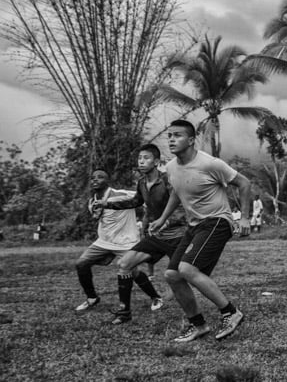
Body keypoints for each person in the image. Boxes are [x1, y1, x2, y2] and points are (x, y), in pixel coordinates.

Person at [150, 120, 252, 343]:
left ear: (191, 139)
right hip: (194, 225)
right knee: (172, 275)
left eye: (177, 135)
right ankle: (198, 325)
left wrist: (244, 217)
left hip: (217, 221)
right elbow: (177, 192)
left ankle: (231, 312)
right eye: (169, 136)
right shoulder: (171, 168)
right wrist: (162, 219)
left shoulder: (210, 164)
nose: (171, 140)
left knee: (187, 268)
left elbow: (244, 183)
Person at [94, 144, 188, 324]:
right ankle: (124, 312)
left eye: (146, 158)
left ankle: (198, 315)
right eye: (139, 158)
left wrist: (166, 221)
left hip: (178, 236)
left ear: (157, 162)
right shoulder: (142, 183)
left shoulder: (169, 180)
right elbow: (135, 201)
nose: (141, 161)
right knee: (124, 264)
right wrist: (107, 204)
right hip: (156, 237)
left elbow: (183, 207)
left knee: (181, 276)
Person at [74, 170, 153, 313]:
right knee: (81, 264)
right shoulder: (92, 201)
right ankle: (92, 298)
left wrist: (151, 217)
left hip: (126, 241)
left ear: (108, 180)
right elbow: (98, 218)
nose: (95, 180)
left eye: (100, 177)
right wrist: (97, 214)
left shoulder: (121, 194)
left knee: (133, 272)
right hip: (104, 241)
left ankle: (155, 297)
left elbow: (143, 198)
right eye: (93, 178)